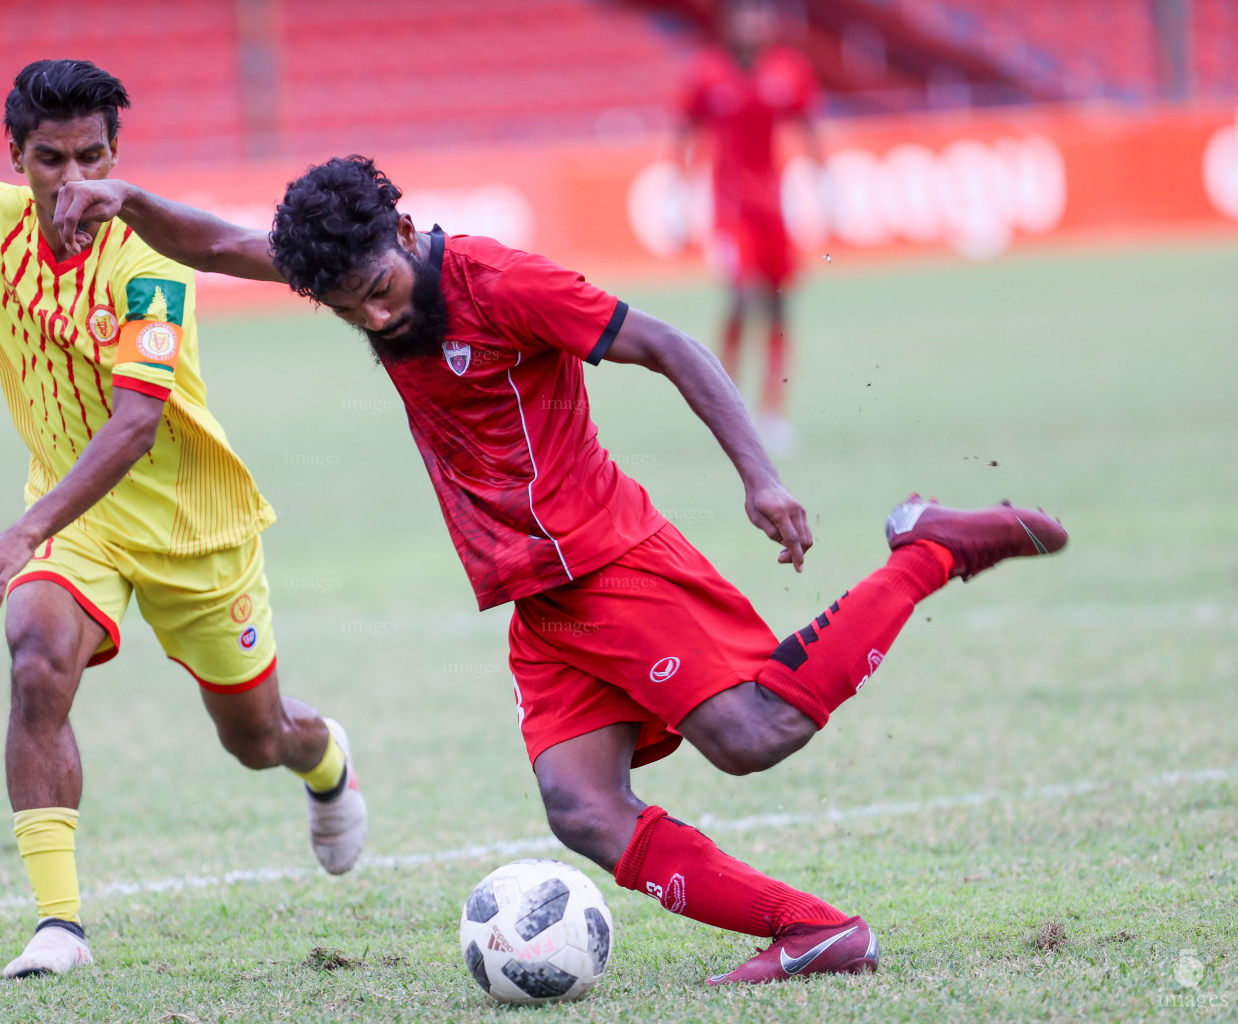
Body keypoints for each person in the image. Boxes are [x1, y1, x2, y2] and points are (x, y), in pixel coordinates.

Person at [53, 156, 1067, 984]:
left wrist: (760, 478)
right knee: (582, 810)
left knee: (752, 735)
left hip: (606, 559)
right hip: (539, 601)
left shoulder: (504, 283)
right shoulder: (349, 270)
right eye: (344, 307)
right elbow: (224, 246)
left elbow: (668, 343)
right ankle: (815, 931)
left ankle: (928, 548)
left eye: (378, 292)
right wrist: (126, 199)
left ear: (405, 233)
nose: (373, 319)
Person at [0, 6, 366, 979]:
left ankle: (326, 759)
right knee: (34, 661)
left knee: (257, 738)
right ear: (15, 155)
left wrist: (19, 531)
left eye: (92, 158)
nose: (73, 181)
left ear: (117, 152)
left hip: (194, 529)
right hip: (79, 525)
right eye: (51, 159)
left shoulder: (149, 255)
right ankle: (59, 924)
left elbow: (136, 423)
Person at [677, 0, 824, 453]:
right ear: (729, 23)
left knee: (779, 307)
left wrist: (825, 180)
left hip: (774, 209)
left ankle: (773, 412)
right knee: (740, 299)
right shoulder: (707, 72)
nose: (753, 24)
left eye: (760, 15)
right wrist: (676, 191)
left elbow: (807, 126)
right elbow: (685, 132)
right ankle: (726, 406)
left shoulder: (789, 69)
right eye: (744, 16)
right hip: (731, 211)